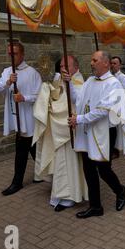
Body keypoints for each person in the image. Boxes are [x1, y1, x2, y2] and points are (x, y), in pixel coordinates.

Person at [66, 50, 125, 218]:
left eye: (95, 60)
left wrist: (79, 119)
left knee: (103, 169)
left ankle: (120, 190)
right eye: (91, 60)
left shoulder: (113, 83)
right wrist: (69, 83)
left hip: (104, 133)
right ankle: (95, 206)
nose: (92, 63)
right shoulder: (90, 81)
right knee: (88, 169)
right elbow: (79, 99)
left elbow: (102, 110)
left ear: (106, 63)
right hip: (88, 130)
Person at [33, 55, 88, 212]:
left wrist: (54, 107)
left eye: (66, 66)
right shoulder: (64, 80)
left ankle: (70, 196)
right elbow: (58, 97)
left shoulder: (78, 82)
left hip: (69, 131)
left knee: (69, 164)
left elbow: (75, 103)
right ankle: (61, 193)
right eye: (61, 66)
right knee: (61, 164)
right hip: (60, 130)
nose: (63, 69)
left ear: (76, 67)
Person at [0, 42, 42, 196]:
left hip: (28, 118)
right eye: (9, 53)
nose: (11, 56)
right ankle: (44, 174)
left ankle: (17, 183)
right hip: (15, 117)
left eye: (14, 53)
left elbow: (40, 97)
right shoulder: (7, 71)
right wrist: (8, 82)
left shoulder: (32, 73)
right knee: (32, 149)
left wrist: (24, 98)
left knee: (24, 150)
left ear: (22, 54)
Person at [110, 56, 125, 159]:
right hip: (110, 108)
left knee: (117, 130)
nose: (112, 65)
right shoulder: (109, 76)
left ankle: (116, 150)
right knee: (112, 129)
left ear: (119, 65)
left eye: (115, 63)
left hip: (119, 108)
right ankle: (112, 148)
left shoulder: (122, 77)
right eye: (111, 63)